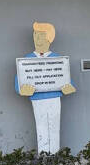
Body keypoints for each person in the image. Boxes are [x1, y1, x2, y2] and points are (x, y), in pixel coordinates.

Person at [15, 22, 76, 153]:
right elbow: (19, 81)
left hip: (54, 98)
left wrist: (69, 87)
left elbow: (65, 79)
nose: (37, 39)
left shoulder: (57, 59)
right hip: (37, 99)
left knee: (54, 127)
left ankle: (54, 156)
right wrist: (21, 89)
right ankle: (44, 156)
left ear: (49, 39)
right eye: (35, 35)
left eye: (41, 36)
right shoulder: (27, 60)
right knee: (41, 127)